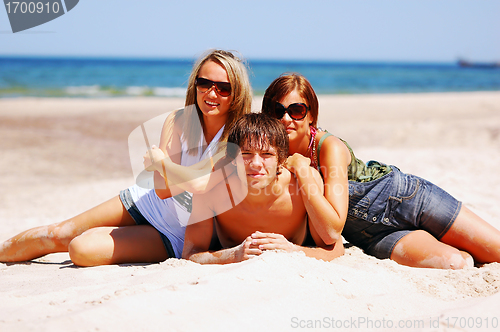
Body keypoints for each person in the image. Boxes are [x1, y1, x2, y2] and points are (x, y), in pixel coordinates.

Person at [0, 49, 252, 266]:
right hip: (145, 201)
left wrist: (162, 163)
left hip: (174, 232)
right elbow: (162, 190)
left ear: (236, 94)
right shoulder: (178, 120)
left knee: (80, 250)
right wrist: (173, 174)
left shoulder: (234, 141)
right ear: (195, 84)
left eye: (223, 88)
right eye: (205, 83)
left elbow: (198, 185)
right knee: (58, 234)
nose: (211, 93)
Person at [261, 73, 500, 269]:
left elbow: (332, 228)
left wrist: (302, 171)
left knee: (496, 250)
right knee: (459, 264)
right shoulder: (268, 158)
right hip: (373, 236)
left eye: (297, 110)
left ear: (311, 115)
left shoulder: (328, 147)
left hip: (407, 199)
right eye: (277, 110)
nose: (286, 118)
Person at [182, 113, 345, 264]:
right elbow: (190, 254)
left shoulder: (302, 184)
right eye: (246, 153)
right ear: (232, 159)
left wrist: (293, 249)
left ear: (281, 159)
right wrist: (234, 255)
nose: (256, 164)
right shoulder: (212, 191)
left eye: (267, 154)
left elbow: (335, 248)